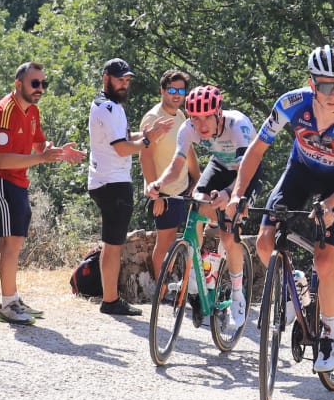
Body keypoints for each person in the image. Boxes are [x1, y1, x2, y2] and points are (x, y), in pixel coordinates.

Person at [226, 45, 334, 373]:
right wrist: (238, 194)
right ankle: (294, 281)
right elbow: (256, 150)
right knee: (265, 242)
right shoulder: (291, 104)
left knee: (325, 258)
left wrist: (331, 203)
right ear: (312, 84)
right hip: (301, 172)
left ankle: (328, 332)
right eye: (326, 86)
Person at [0, 62, 85, 324]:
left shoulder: (33, 111)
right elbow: (2, 160)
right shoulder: (3, 113)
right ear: (18, 84)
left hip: (17, 181)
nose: (40, 88)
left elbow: (40, 144)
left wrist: (59, 152)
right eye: (34, 83)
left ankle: (11, 299)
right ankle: (7, 304)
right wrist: (42, 158)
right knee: (11, 242)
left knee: (11, 242)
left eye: (43, 83)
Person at [145, 85, 258, 326]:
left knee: (228, 233)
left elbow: (243, 174)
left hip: (245, 171)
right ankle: (197, 273)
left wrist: (230, 195)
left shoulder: (238, 125)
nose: (202, 124)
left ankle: (238, 292)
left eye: (207, 116)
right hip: (219, 166)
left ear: (219, 113)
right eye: (195, 118)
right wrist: (158, 183)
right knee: (196, 205)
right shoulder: (188, 129)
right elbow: (177, 167)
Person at [86, 58, 172, 317]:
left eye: (126, 80)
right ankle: (110, 300)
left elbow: (123, 138)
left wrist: (147, 134)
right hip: (112, 183)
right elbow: (122, 148)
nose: (124, 84)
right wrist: (149, 140)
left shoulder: (106, 105)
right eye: (119, 79)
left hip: (106, 180)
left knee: (112, 242)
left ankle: (111, 298)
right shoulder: (109, 108)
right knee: (113, 244)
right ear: (106, 78)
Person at [138, 69, 194, 280]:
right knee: (164, 242)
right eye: (172, 89)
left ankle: (166, 285)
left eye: (181, 90)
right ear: (162, 90)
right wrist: (156, 193)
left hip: (180, 189)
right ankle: (159, 292)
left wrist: (195, 178)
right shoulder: (153, 118)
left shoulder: (179, 114)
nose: (177, 94)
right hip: (164, 193)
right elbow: (145, 156)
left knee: (172, 239)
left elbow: (188, 150)